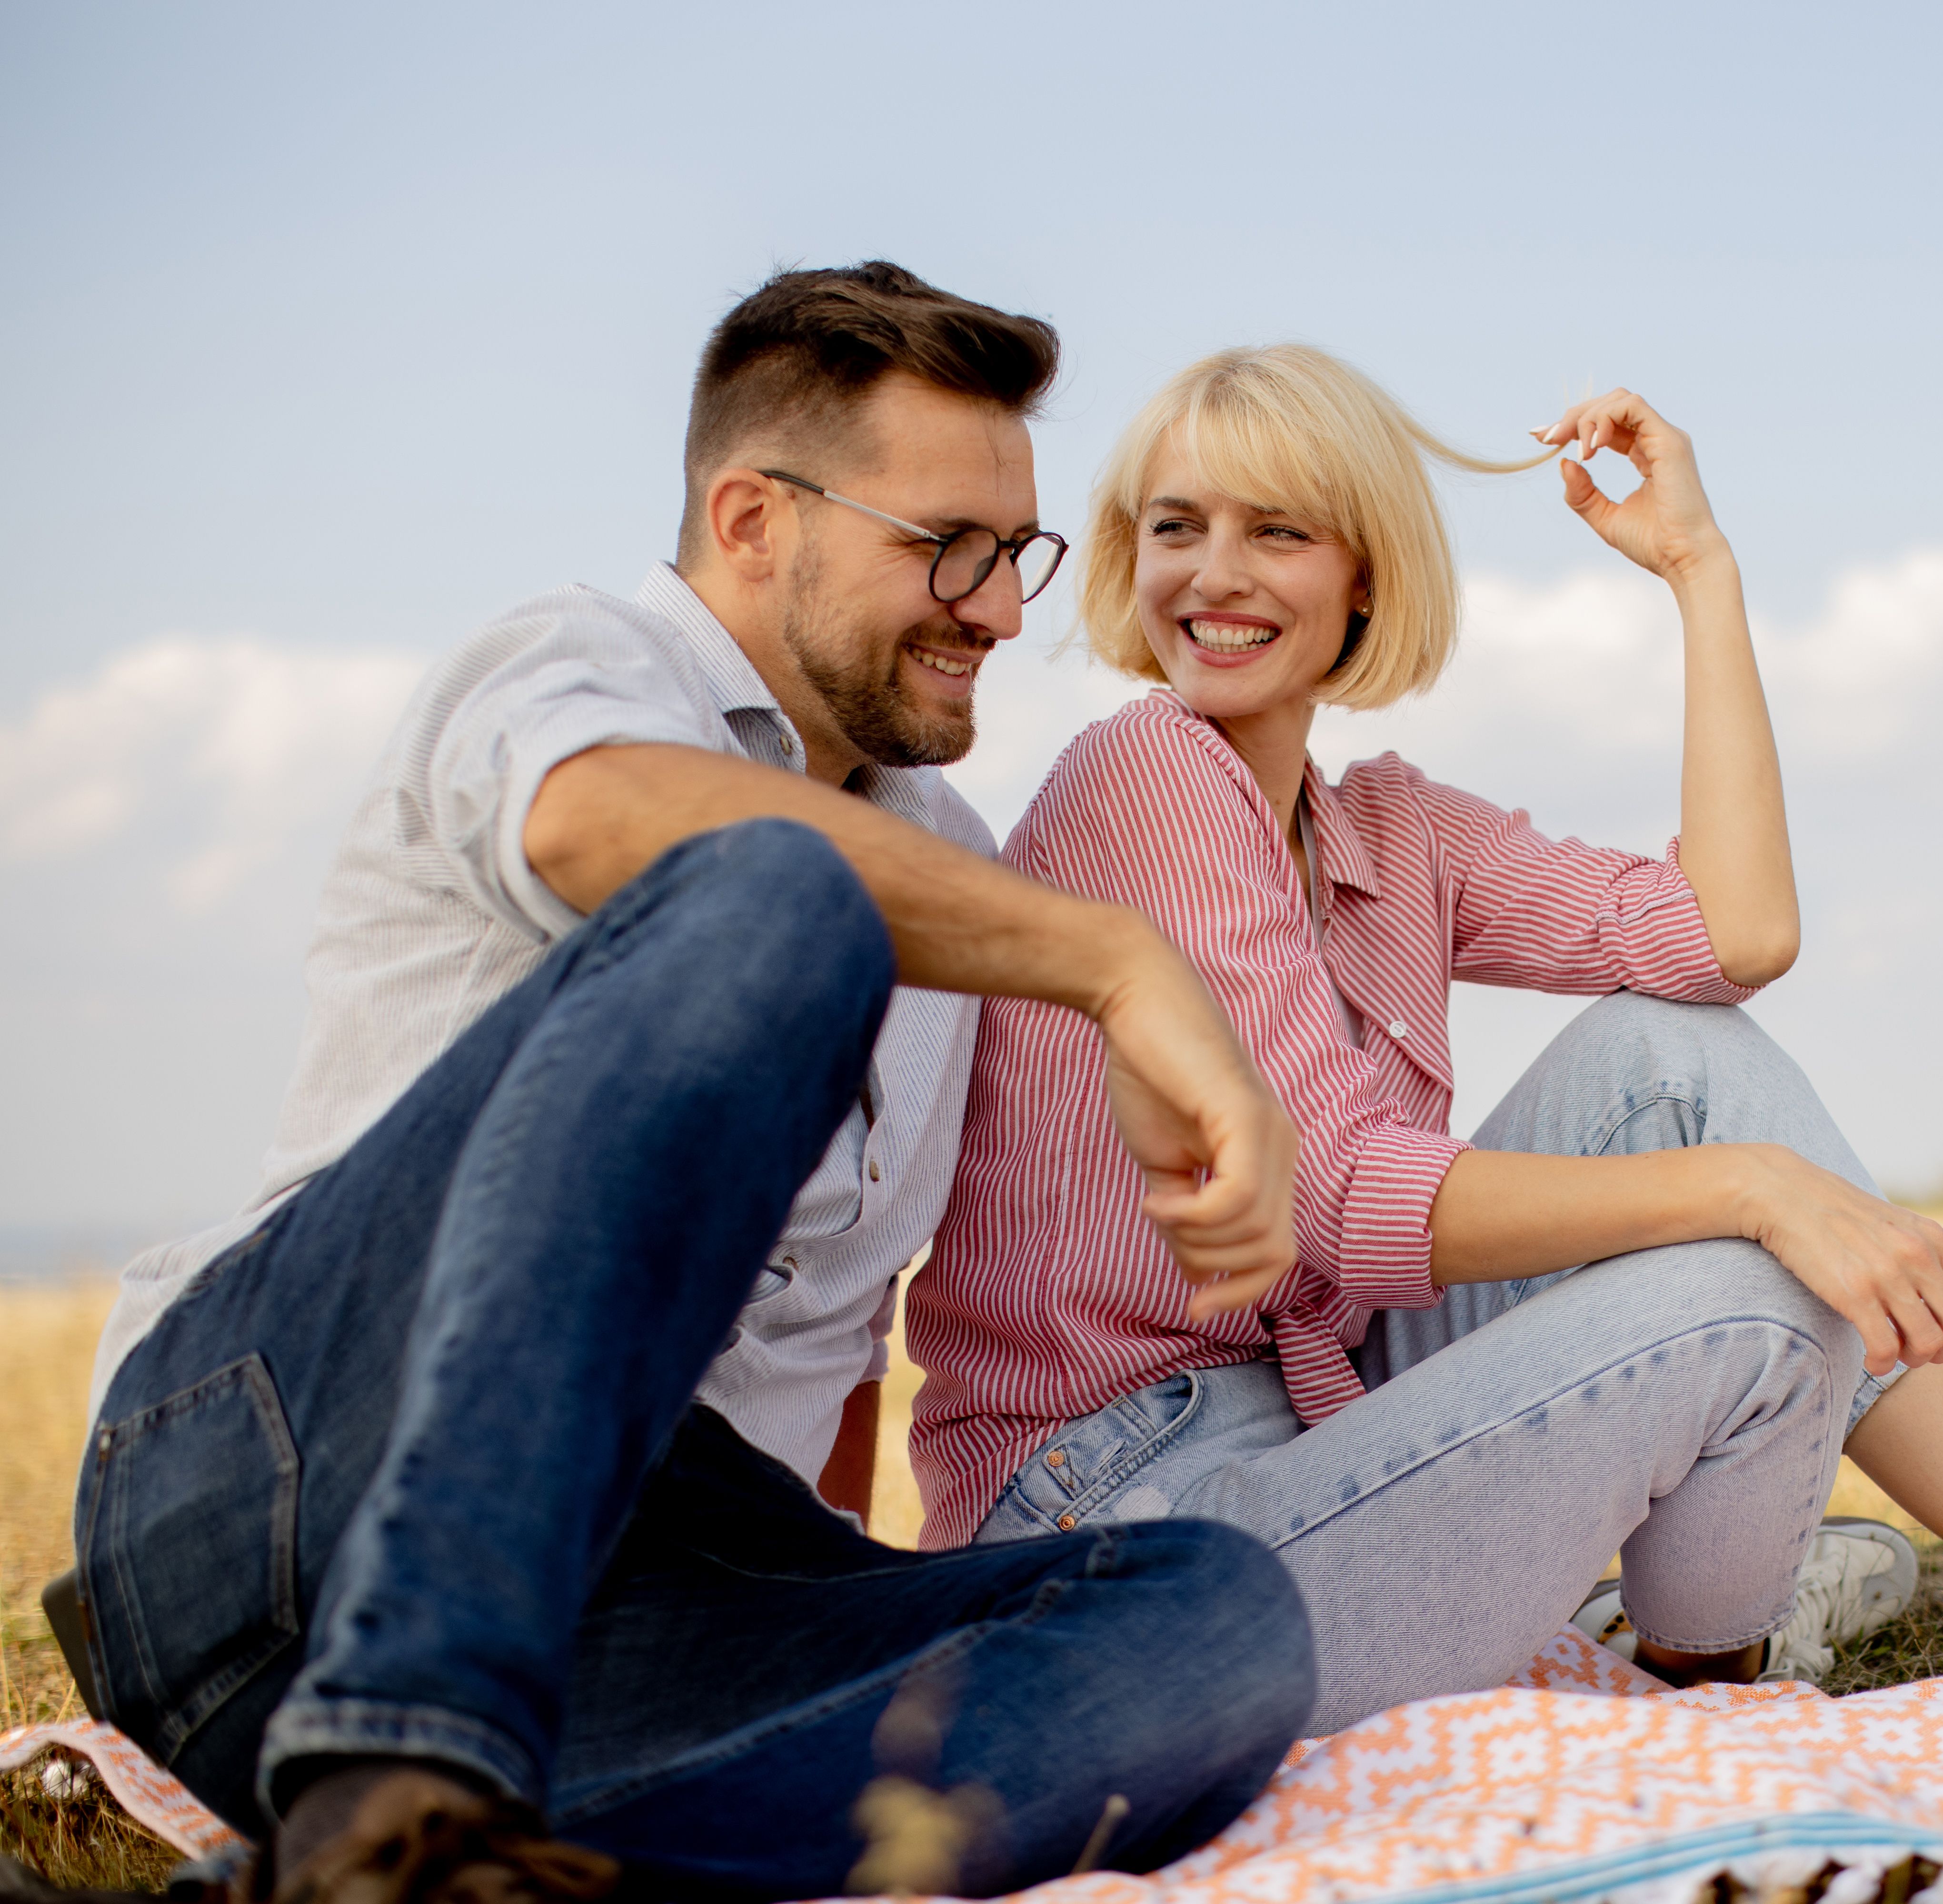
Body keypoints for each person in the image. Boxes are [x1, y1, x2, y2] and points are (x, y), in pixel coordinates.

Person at [904, 346, 1943, 1733]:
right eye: (1176, 528)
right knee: (1756, 1271)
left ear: (1368, 574)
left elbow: (1730, 940)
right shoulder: (1143, 771)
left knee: (1667, 1061)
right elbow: (1339, 1201)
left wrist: (1698, 569)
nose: (1211, 578)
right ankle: (1725, 1646)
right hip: (1111, 1516)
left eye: (1277, 532)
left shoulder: (1388, 832)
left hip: (1315, 1403)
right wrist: (1761, 1190)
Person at [61, 266, 1315, 1904]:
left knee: (1216, 1624)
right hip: (283, 1489)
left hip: (647, 1587)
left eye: (1017, 555)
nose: (1004, 612)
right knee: (781, 891)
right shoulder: (574, 662)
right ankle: (402, 1758)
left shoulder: (954, 866)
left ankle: (415, 1867)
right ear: (750, 519)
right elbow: (600, 822)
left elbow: (837, 1345)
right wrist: (1121, 961)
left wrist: (825, 1613)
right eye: (945, 547)